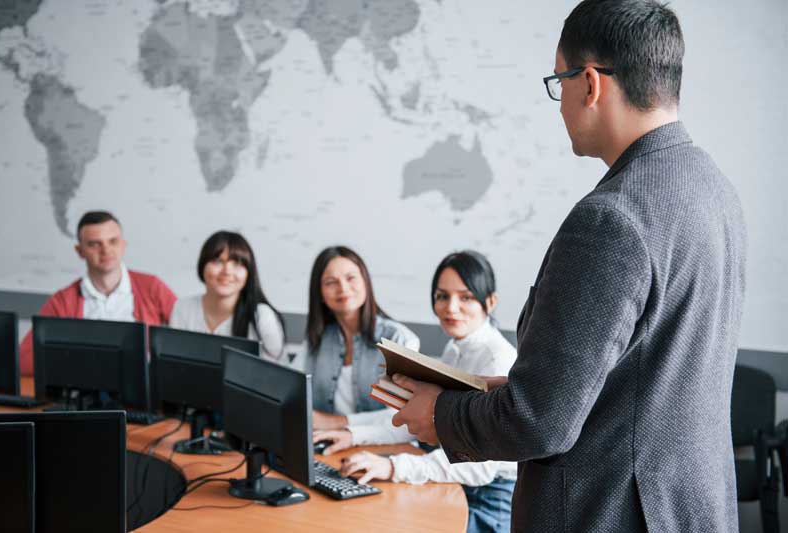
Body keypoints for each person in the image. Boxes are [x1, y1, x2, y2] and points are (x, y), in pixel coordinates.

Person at [392, 1, 747, 531]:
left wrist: (441, 417)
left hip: (609, 511)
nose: (560, 105)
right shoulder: (714, 190)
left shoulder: (611, 219)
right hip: (688, 508)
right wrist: (506, 392)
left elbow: (543, 423)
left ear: (589, 83)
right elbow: (644, 376)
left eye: (559, 83)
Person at [320, 251, 517, 533]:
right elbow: (417, 419)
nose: (451, 308)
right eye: (442, 296)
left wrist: (392, 468)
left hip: (488, 501)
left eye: (466, 297)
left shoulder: (497, 359)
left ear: (490, 301)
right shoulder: (455, 348)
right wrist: (355, 436)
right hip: (454, 481)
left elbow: (480, 467)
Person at [19, 210, 177, 375]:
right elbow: (24, 360)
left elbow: (186, 344)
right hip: (84, 390)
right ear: (80, 251)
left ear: (123, 245)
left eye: (113, 241)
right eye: (95, 244)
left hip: (143, 393)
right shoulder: (62, 301)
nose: (106, 250)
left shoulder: (152, 287)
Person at [291, 246, 420, 432]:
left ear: (365, 282)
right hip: (326, 446)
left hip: (381, 451)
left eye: (351, 278)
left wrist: (336, 422)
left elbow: (399, 415)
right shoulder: (316, 339)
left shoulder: (399, 339)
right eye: (330, 282)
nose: (343, 288)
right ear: (319, 293)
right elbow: (288, 391)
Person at [169, 231, 286, 360]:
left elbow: (277, 375)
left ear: (249, 273)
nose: (227, 271)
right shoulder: (183, 308)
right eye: (218, 261)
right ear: (203, 265)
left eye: (237, 264)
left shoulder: (262, 317)